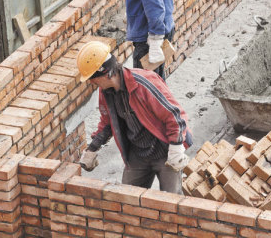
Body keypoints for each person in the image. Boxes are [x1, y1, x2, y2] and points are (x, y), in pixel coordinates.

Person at [77, 41, 193, 194]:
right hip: (138, 154)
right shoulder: (106, 92)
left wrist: (176, 147)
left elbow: (174, 115)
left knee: (172, 203)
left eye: (93, 78)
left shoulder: (144, 84)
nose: (91, 82)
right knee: (128, 198)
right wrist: (91, 149)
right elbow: (107, 123)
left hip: (165, 151)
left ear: (106, 73)